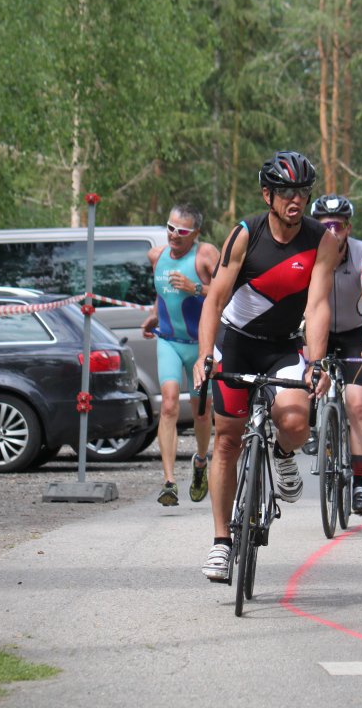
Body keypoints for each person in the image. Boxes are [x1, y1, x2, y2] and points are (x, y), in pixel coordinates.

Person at [191, 151, 339, 582]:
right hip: (235, 343)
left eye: (303, 192)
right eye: (286, 192)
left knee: (295, 422)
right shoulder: (245, 234)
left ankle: (282, 454)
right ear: (267, 195)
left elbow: (317, 305)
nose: (296, 199)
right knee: (227, 440)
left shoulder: (321, 240)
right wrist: (205, 355)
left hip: (282, 346)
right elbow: (215, 300)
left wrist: (315, 363)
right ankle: (222, 543)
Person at [303, 194, 362, 515]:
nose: (331, 231)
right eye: (324, 226)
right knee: (306, 379)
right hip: (317, 330)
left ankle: (361, 484)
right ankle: (313, 425)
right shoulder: (306, 253)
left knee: (358, 404)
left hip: (355, 333)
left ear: (348, 228)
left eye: (337, 225)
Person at [141, 204, 219, 507]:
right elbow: (161, 293)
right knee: (169, 404)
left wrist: (195, 287)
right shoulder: (156, 256)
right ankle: (169, 481)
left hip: (200, 345)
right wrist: (154, 315)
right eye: (170, 228)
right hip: (169, 342)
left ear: (195, 233)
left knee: (202, 411)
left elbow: (227, 292)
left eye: (182, 231)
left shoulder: (205, 255)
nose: (174, 235)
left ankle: (200, 461)